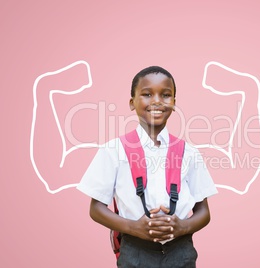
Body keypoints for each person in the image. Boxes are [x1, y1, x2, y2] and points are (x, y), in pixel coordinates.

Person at [77, 66, 218, 268]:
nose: (157, 101)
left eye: (166, 95)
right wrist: (134, 228)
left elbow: (203, 211)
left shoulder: (189, 152)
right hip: (135, 252)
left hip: (181, 252)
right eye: (147, 94)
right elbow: (96, 208)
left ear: (174, 103)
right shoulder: (113, 150)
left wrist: (182, 227)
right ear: (132, 102)